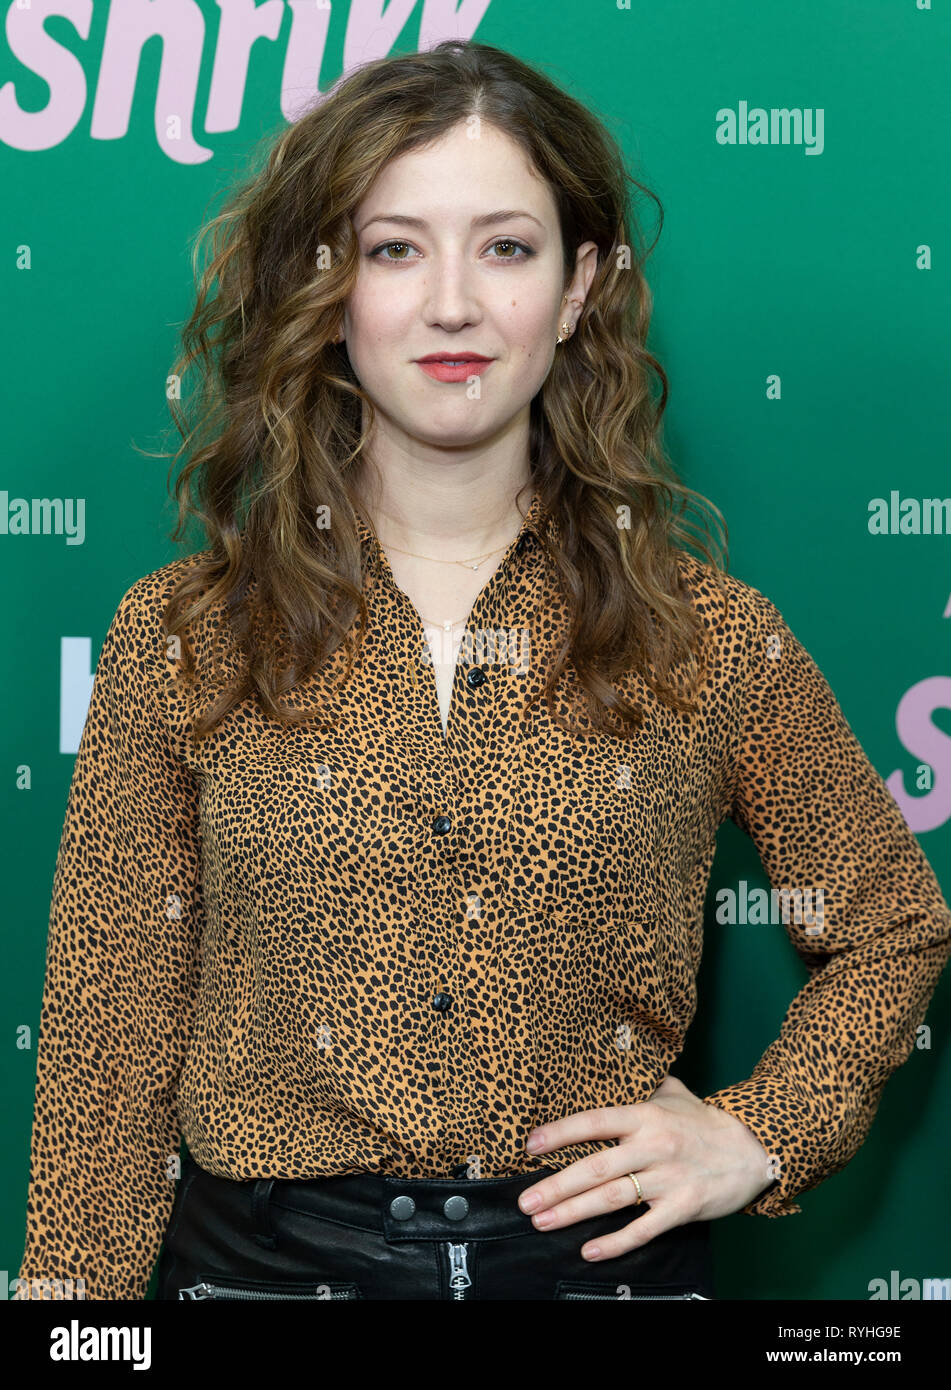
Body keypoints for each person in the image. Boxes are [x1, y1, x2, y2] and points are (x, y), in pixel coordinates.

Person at [14, 39, 951, 1303]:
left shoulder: (710, 634)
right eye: (395, 248)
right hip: (260, 1280)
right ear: (327, 286)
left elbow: (894, 920)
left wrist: (767, 1130)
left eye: (506, 247)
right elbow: (106, 1043)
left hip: (601, 1274)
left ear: (577, 290)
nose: (452, 304)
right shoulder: (186, 634)